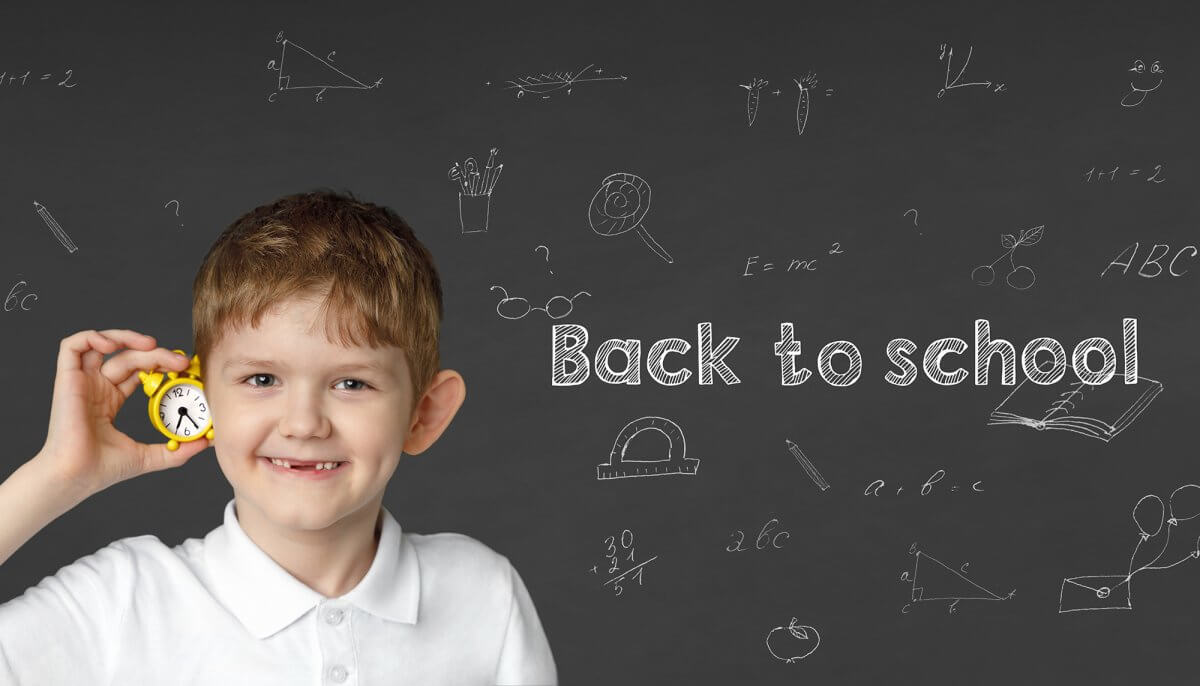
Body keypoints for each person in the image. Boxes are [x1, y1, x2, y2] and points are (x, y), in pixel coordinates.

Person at [0, 189, 558, 684]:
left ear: (424, 414)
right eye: (261, 379)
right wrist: (57, 476)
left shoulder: (483, 595)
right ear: (200, 397)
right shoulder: (123, 603)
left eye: (351, 382)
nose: (303, 423)